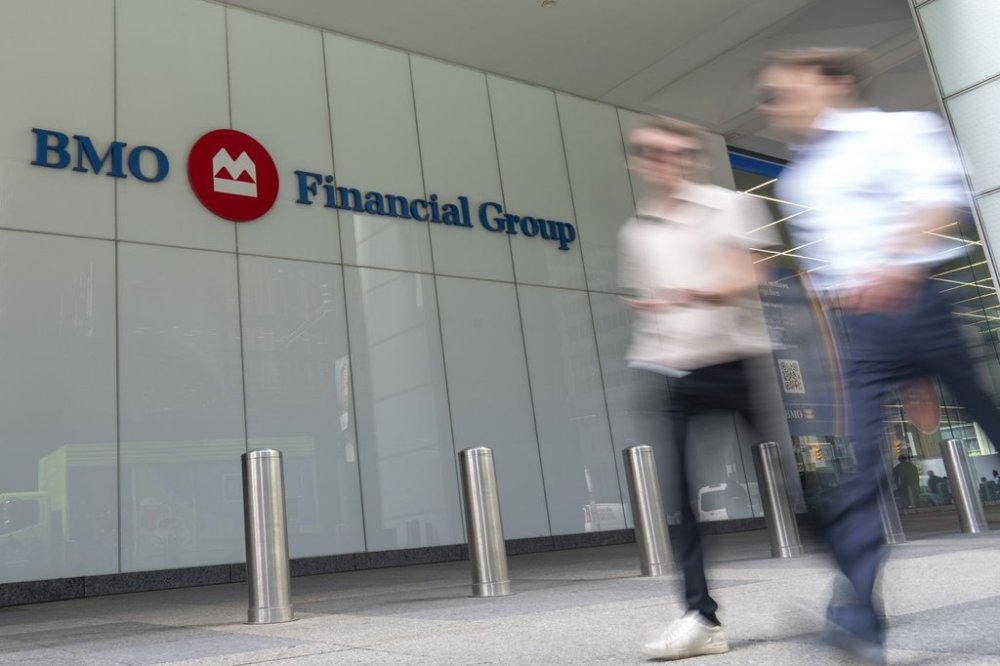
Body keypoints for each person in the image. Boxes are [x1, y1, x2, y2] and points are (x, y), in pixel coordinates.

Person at [756, 47, 1000, 664]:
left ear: (833, 84)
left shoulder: (900, 131)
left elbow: (940, 204)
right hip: (860, 333)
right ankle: (861, 614)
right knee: (862, 469)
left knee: (989, 418)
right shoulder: (796, 181)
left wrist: (892, 262)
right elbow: (826, 280)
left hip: (922, 303)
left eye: (788, 89)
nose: (776, 104)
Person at [618, 115, 777, 660]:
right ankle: (701, 617)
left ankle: (853, 576)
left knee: (787, 475)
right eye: (656, 154)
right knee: (680, 499)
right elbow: (648, 300)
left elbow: (749, 276)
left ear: (692, 158)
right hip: (669, 370)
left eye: (678, 153)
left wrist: (687, 293)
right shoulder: (636, 231)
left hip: (733, 360)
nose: (669, 163)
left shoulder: (728, 205)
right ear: (641, 163)